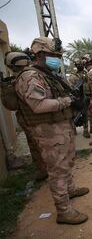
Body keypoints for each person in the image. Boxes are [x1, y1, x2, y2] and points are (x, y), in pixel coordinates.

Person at [15, 37, 89, 225]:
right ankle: (64, 211)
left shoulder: (48, 73)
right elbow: (38, 105)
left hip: (61, 127)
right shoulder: (30, 76)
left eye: (58, 55)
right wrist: (67, 101)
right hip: (48, 131)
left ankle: (70, 190)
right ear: (40, 54)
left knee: (67, 163)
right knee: (57, 170)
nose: (57, 58)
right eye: (53, 55)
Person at [5, 52, 48, 181]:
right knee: (43, 146)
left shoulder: (16, 79)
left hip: (27, 119)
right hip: (36, 119)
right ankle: (47, 170)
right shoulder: (30, 77)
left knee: (35, 146)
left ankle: (42, 169)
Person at [68, 58, 90, 138]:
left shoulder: (86, 73)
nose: (79, 66)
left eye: (81, 64)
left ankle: (86, 130)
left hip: (85, 96)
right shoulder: (73, 75)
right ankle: (74, 129)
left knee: (85, 114)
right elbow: (70, 87)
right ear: (75, 65)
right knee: (75, 114)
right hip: (77, 97)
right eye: (78, 64)